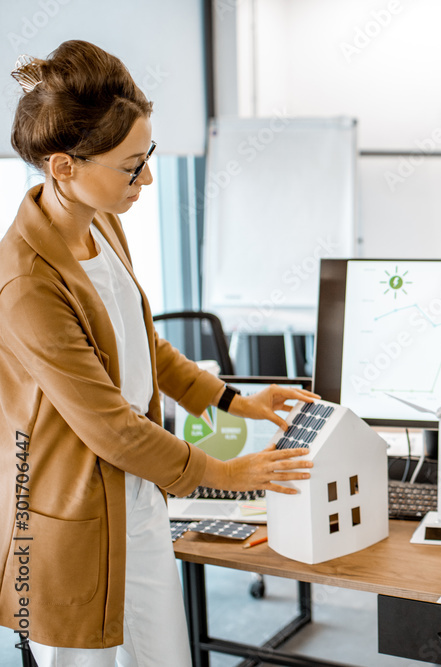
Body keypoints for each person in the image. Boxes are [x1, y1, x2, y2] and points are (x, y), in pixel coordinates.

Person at [0, 41, 317, 665]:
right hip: (72, 521)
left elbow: (140, 343)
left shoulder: (101, 221)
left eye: (147, 158)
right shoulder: (26, 283)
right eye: (129, 166)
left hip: (138, 497)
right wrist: (227, 475)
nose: (146, 178)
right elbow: (110, 426)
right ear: (64, 166)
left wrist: (233, 401)